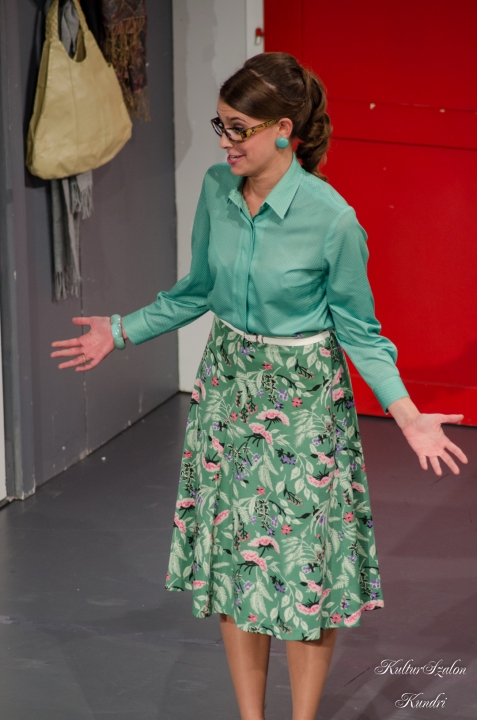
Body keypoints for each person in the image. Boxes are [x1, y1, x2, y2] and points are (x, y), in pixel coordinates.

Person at [51, 52, 467, 720]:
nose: (225, 142)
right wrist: (121, 331)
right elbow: (197, 290)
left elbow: (360, 331)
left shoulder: (332, 219)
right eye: (221, 126)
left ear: (282, 131)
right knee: (235, 559)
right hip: (228, 391)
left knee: (302, 570)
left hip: (303, 403)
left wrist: (407, 413)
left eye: (239, 129)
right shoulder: (218, 189)